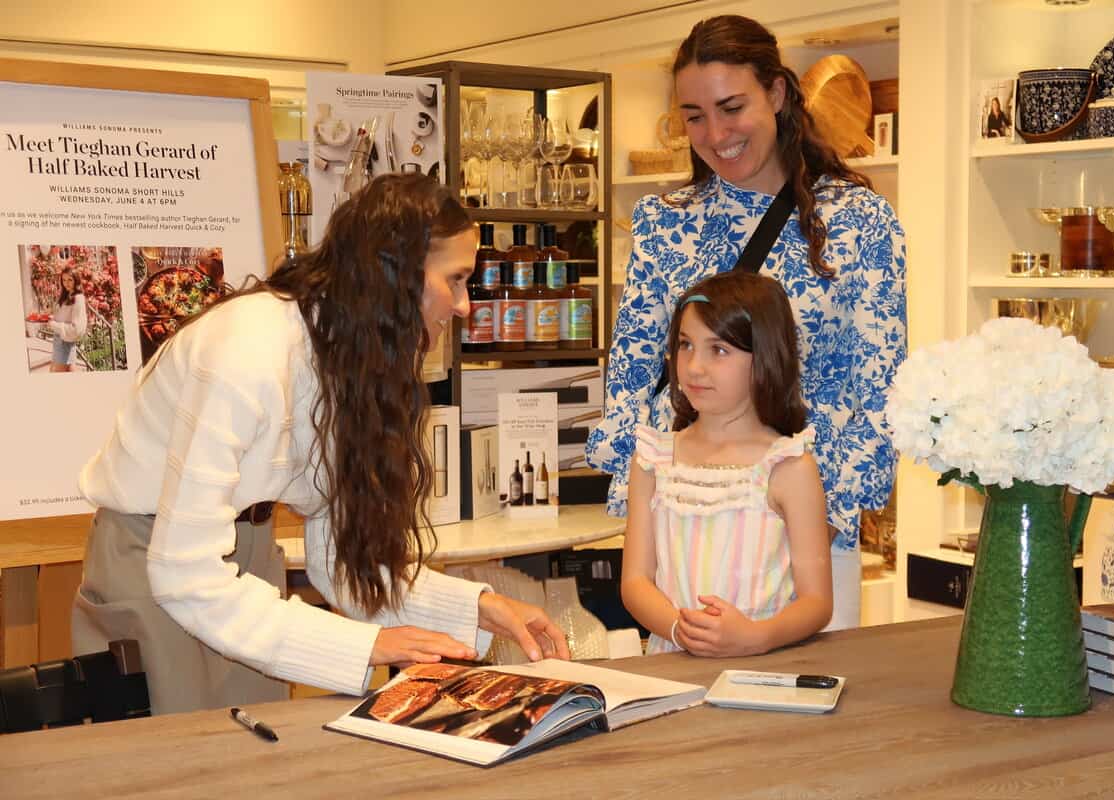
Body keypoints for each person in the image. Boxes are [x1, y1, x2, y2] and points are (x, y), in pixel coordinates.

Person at [73, 173, 569, 715]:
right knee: (176, 761)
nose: (464, 305)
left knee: (258, 753)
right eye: (456, 279)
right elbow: (183, 572)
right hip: (150, 561)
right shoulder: (248, 351)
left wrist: (479, 608)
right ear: (395, 273)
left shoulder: (351, 356)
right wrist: (366, 645)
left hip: (243, 556)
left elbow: (343, 562)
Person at [586, 14, 906, 630]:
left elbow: (881, 388)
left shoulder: (858, 222)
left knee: (806, 688)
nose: (715, 134)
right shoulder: (664, 222)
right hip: (685, 524)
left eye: (732, 108)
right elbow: (632, 376)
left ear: (777, 94)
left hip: (804, 534)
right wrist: (646, 510)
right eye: (694, 116)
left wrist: (814, 521)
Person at [621, 272, 832, 656]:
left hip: (759, 669)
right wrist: (680, 629)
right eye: (686, 345)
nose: (694, 367)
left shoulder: (788, 467)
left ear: (765, 357)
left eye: (718, 350)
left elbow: (816, 602)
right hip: (671, 666)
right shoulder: (653, 459)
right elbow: (635, 581)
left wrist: (757, 636)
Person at [47, 268, 88, 372]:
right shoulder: (66, 295)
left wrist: (53, 324)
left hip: (65, 341)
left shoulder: (78, 298)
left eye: (70, 280)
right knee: (69, 370)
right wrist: (52, 318)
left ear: (76, 280)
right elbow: (64, 317)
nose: (66, 283)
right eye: (64, 280)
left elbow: (76, 328)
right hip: (59, 339)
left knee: (56, 373)